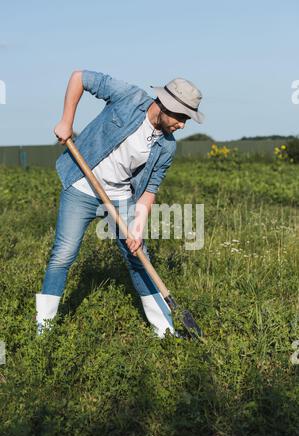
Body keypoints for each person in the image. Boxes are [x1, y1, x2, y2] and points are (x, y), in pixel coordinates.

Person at [35, 70, 204, 337]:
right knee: (63, 254)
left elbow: (149, 191)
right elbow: (79, 77)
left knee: (139, 257)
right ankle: (42, 331)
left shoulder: (167, 147)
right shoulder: (128, 96)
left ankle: (166, 332)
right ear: (166, 106)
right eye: (181, 117)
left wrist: (137, 227)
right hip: (81, 186)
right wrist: (66, 121)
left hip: (119, 197)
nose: (182, 125)